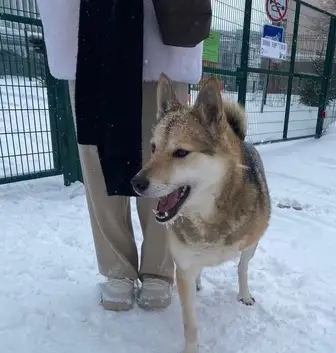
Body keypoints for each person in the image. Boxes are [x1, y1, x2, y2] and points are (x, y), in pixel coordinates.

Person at [36, 0, 211, 311]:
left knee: (166, 163)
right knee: (98, 161)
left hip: (164, 22)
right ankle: (118, 269)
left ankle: (158, 270)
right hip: (88, 28)